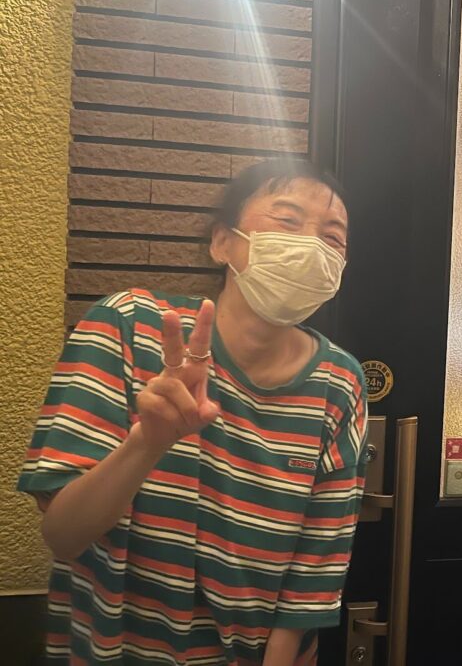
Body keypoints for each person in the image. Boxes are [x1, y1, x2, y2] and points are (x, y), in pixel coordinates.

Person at [19, 158, 368, 665]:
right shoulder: (127, 326)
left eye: (332, 237)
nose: (311, 245)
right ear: (222, 242)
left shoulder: (340, 381)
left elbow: (318, 558)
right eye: (288, 220)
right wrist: (147, 444)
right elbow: (63, 535)